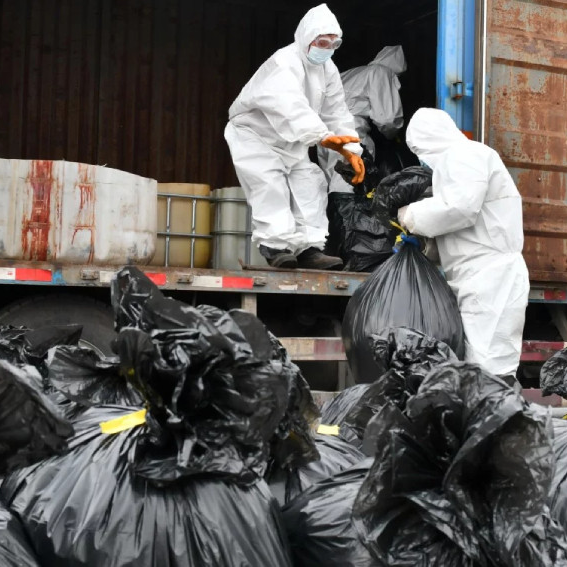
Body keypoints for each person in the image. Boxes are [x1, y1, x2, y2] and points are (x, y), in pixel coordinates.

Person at [224, 4, 365, 270]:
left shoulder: (328, 69)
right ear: (307, 37)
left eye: (334, 44)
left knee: (309, 184)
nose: (327, 49)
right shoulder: (284, 62)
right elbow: (289, 106)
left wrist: (351, 152)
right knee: (270, 185)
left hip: (292, 139)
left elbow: (337, 112)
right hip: (255, 133)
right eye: (322, 42)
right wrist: (321, 135)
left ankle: (309, 249)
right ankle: (275, 246)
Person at [396, 108, 529, 377]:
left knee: (489, 368)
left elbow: (460, 209)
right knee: (474, 366)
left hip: (493, 278)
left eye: (418, 149)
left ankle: (498, 405)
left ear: (429, 139)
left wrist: (410, 215)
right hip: (477, 277)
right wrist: (427, 248)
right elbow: (463, 233)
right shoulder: (453, 163)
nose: (421, 158)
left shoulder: (466, 155)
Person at [318, 45, 407, 193]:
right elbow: (387, 119)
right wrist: (391, 135)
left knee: (330, 181)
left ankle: (333, 207)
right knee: (348, 182)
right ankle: (345, 208)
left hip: (324, 130)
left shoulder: (354, 73)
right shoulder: (381, 72)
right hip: (348, 132)